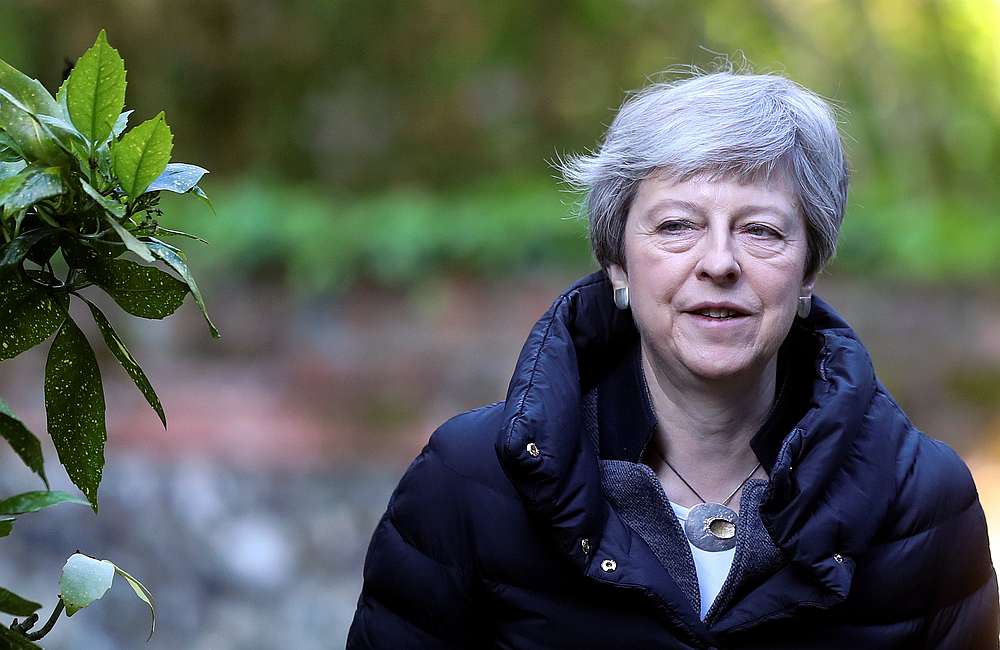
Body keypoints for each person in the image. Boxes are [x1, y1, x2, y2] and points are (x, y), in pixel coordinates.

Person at [346, 69, 999, 648]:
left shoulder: (925, 504)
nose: (718, 262)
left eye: (762, 230)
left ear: (808, 272)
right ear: (617, 261)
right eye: (677, 225)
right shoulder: (467, 483)